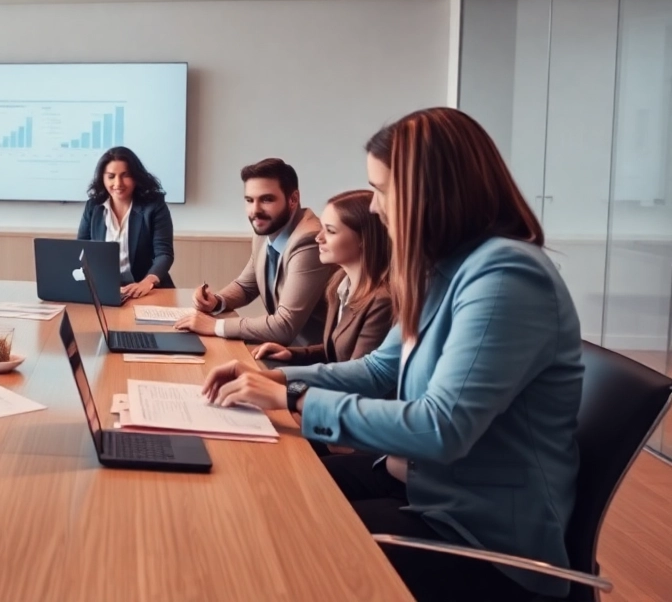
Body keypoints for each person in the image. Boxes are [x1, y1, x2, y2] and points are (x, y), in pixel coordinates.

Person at [199, 108, 583, 601]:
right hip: (420, 490)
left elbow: (440, 428)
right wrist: (275, 378)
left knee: (282, 541)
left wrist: (295, 402)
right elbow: (382, 367)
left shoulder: (506, 276)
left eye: (382, 190)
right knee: (268, 495)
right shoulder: (439, 269)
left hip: (478, 539)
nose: (376, 208)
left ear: (432, 191)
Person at [174, 158, 333, 345]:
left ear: (293, 199)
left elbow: (284, 327)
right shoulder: (266, 230)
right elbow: (246, 286)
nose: (255, 210)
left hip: (313, 355)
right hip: (281, 348)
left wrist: (216, 326)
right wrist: (217, 301)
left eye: (266, 199)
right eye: (249, 200)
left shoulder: (309, 241)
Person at [250, 189, 392, 366]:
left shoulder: (382, 302)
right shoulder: (339, 285)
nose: (318, 237)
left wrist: (283, 378)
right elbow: (335, 350)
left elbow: (358, 375)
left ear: (363, 239)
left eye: (330, 231)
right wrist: (291, 354)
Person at [76, 146, 175, 299]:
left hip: (147, 290)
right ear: (102, 178)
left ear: (136, 176)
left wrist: (147, 282)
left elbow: (164, 254)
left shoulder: (154, 206)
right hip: (106, 290)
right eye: (111, 176)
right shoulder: (93, 207)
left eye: (125, 175)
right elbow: (81, 248)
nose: (118, 183)